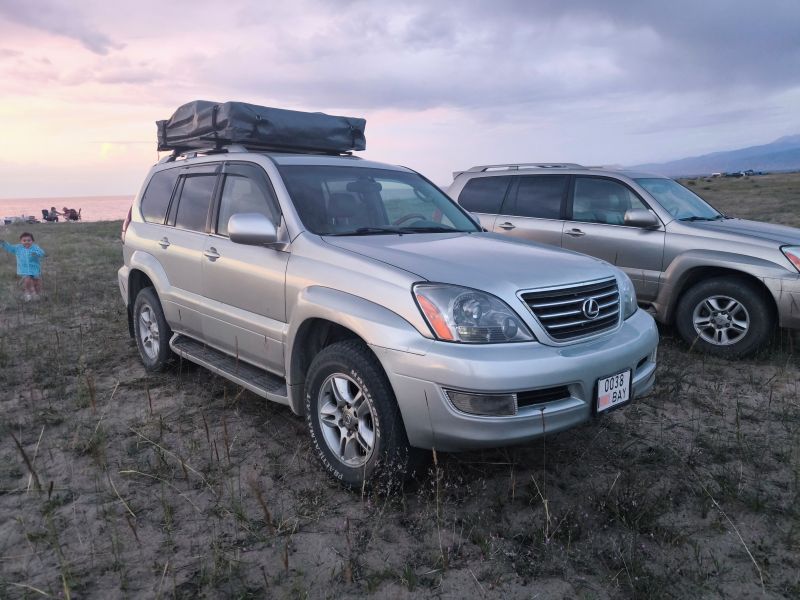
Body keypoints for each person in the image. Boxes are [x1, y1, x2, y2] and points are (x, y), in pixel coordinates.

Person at [1, 232, 46, 301]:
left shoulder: (35, 247)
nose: (26, 242)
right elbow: (10, 248)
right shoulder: (18, 248)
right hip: (24, 269)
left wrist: (36, 253)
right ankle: (27, 293)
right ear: (21, 241)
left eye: (29, 240)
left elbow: (42, 253)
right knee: (27, 280)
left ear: (32, 241)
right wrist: (3, 243)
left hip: (34, 268)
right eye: (24, 240)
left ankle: (37, 293)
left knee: (37, 281)